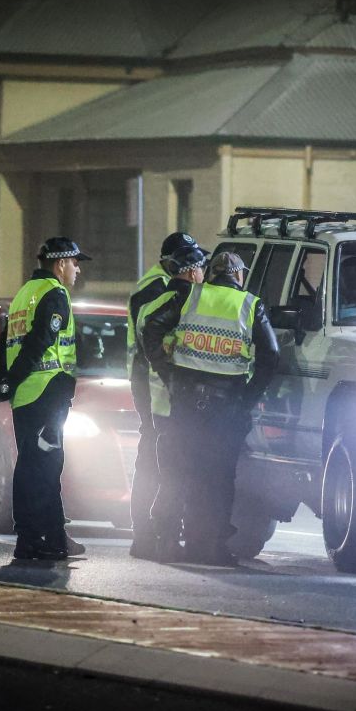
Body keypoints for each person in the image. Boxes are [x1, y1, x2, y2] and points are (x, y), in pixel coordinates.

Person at [142, 251, 279, 566]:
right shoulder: (249, 305)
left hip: (186, 403)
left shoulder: (190, 295)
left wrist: (168, 374)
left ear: (214, 272)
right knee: (217, 480)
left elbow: (151, 328)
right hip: (226, 407)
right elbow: (271, 353)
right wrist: (248, 396)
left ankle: (167, 543)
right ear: (237, 274)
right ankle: (210, 546)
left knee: (178, 474)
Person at [0, 237, 91, 561]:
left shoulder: (22, 296)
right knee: (46, 466)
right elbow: (40, 341)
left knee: (31, 464)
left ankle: (44, 537)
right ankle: (42, 538)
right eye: (75, 263)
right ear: (60, 264)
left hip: (25, 397)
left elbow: (4, 343)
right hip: (48, 392)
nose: (77, 270)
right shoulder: (54, 294)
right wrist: (11, 381)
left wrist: (6, 382)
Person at [126, 231, 209, 559]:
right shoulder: (156, 289)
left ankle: (151, 534)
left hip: (154, 379)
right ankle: (145, 534)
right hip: (151, 381)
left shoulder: (160, 285)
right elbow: (153, 338)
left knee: (158, 456)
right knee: (153, 457)